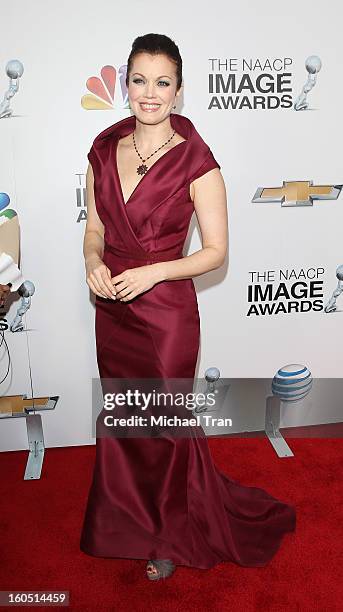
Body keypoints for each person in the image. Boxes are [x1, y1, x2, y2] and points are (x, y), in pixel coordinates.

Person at [80, 33, 296, 581]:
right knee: (129, 420)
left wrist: (154, 270)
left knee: (166, 423)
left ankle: (170, 536)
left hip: (167, 314)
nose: (149, 93)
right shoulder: (103, 149)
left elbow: (217, 252)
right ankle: (126, 522)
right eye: (139, 80)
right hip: (115, 311)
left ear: (178, 90)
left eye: (162, 82)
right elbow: (95, 229)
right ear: (125, 83)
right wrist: (92, 264)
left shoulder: (198, 161)